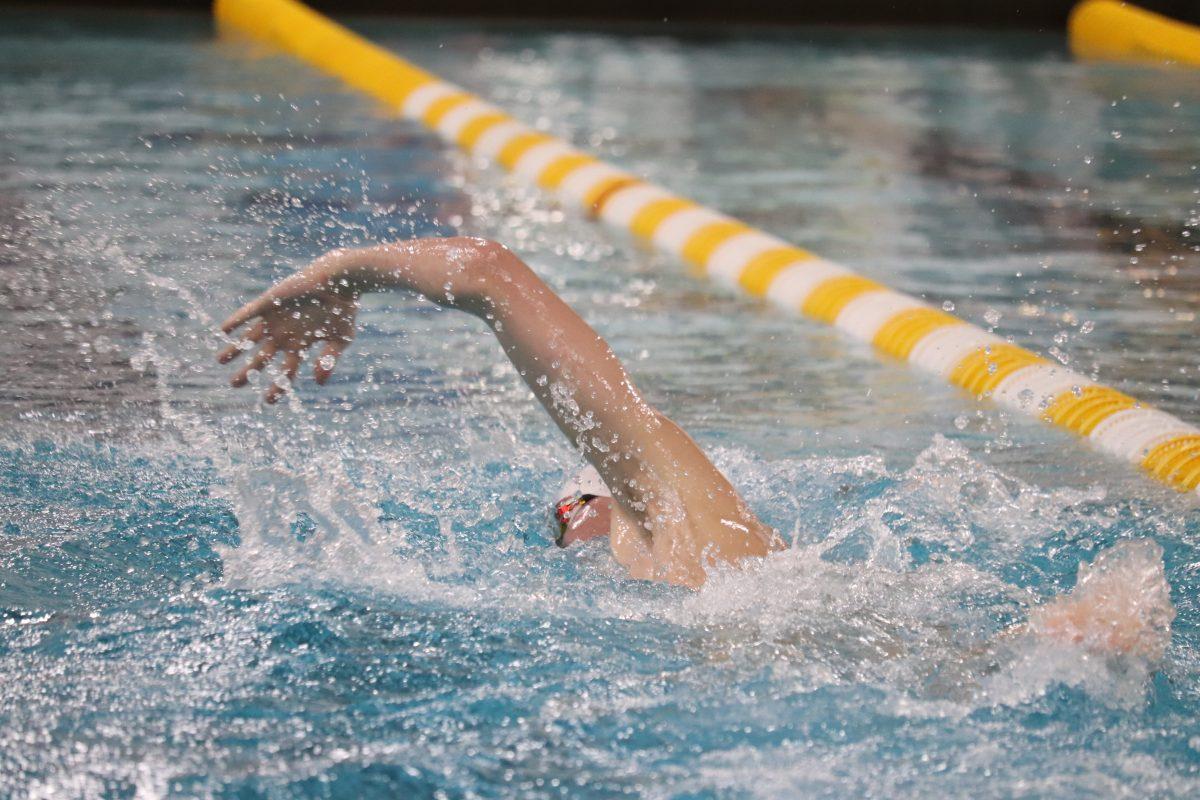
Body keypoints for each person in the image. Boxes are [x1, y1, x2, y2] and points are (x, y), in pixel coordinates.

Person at [219, 237, 1174, 659]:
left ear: (599, 497)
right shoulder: (692, 557)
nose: (567, 521)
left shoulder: (670, 507)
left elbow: (486, 272)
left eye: (569, 500)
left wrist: (338, 273)